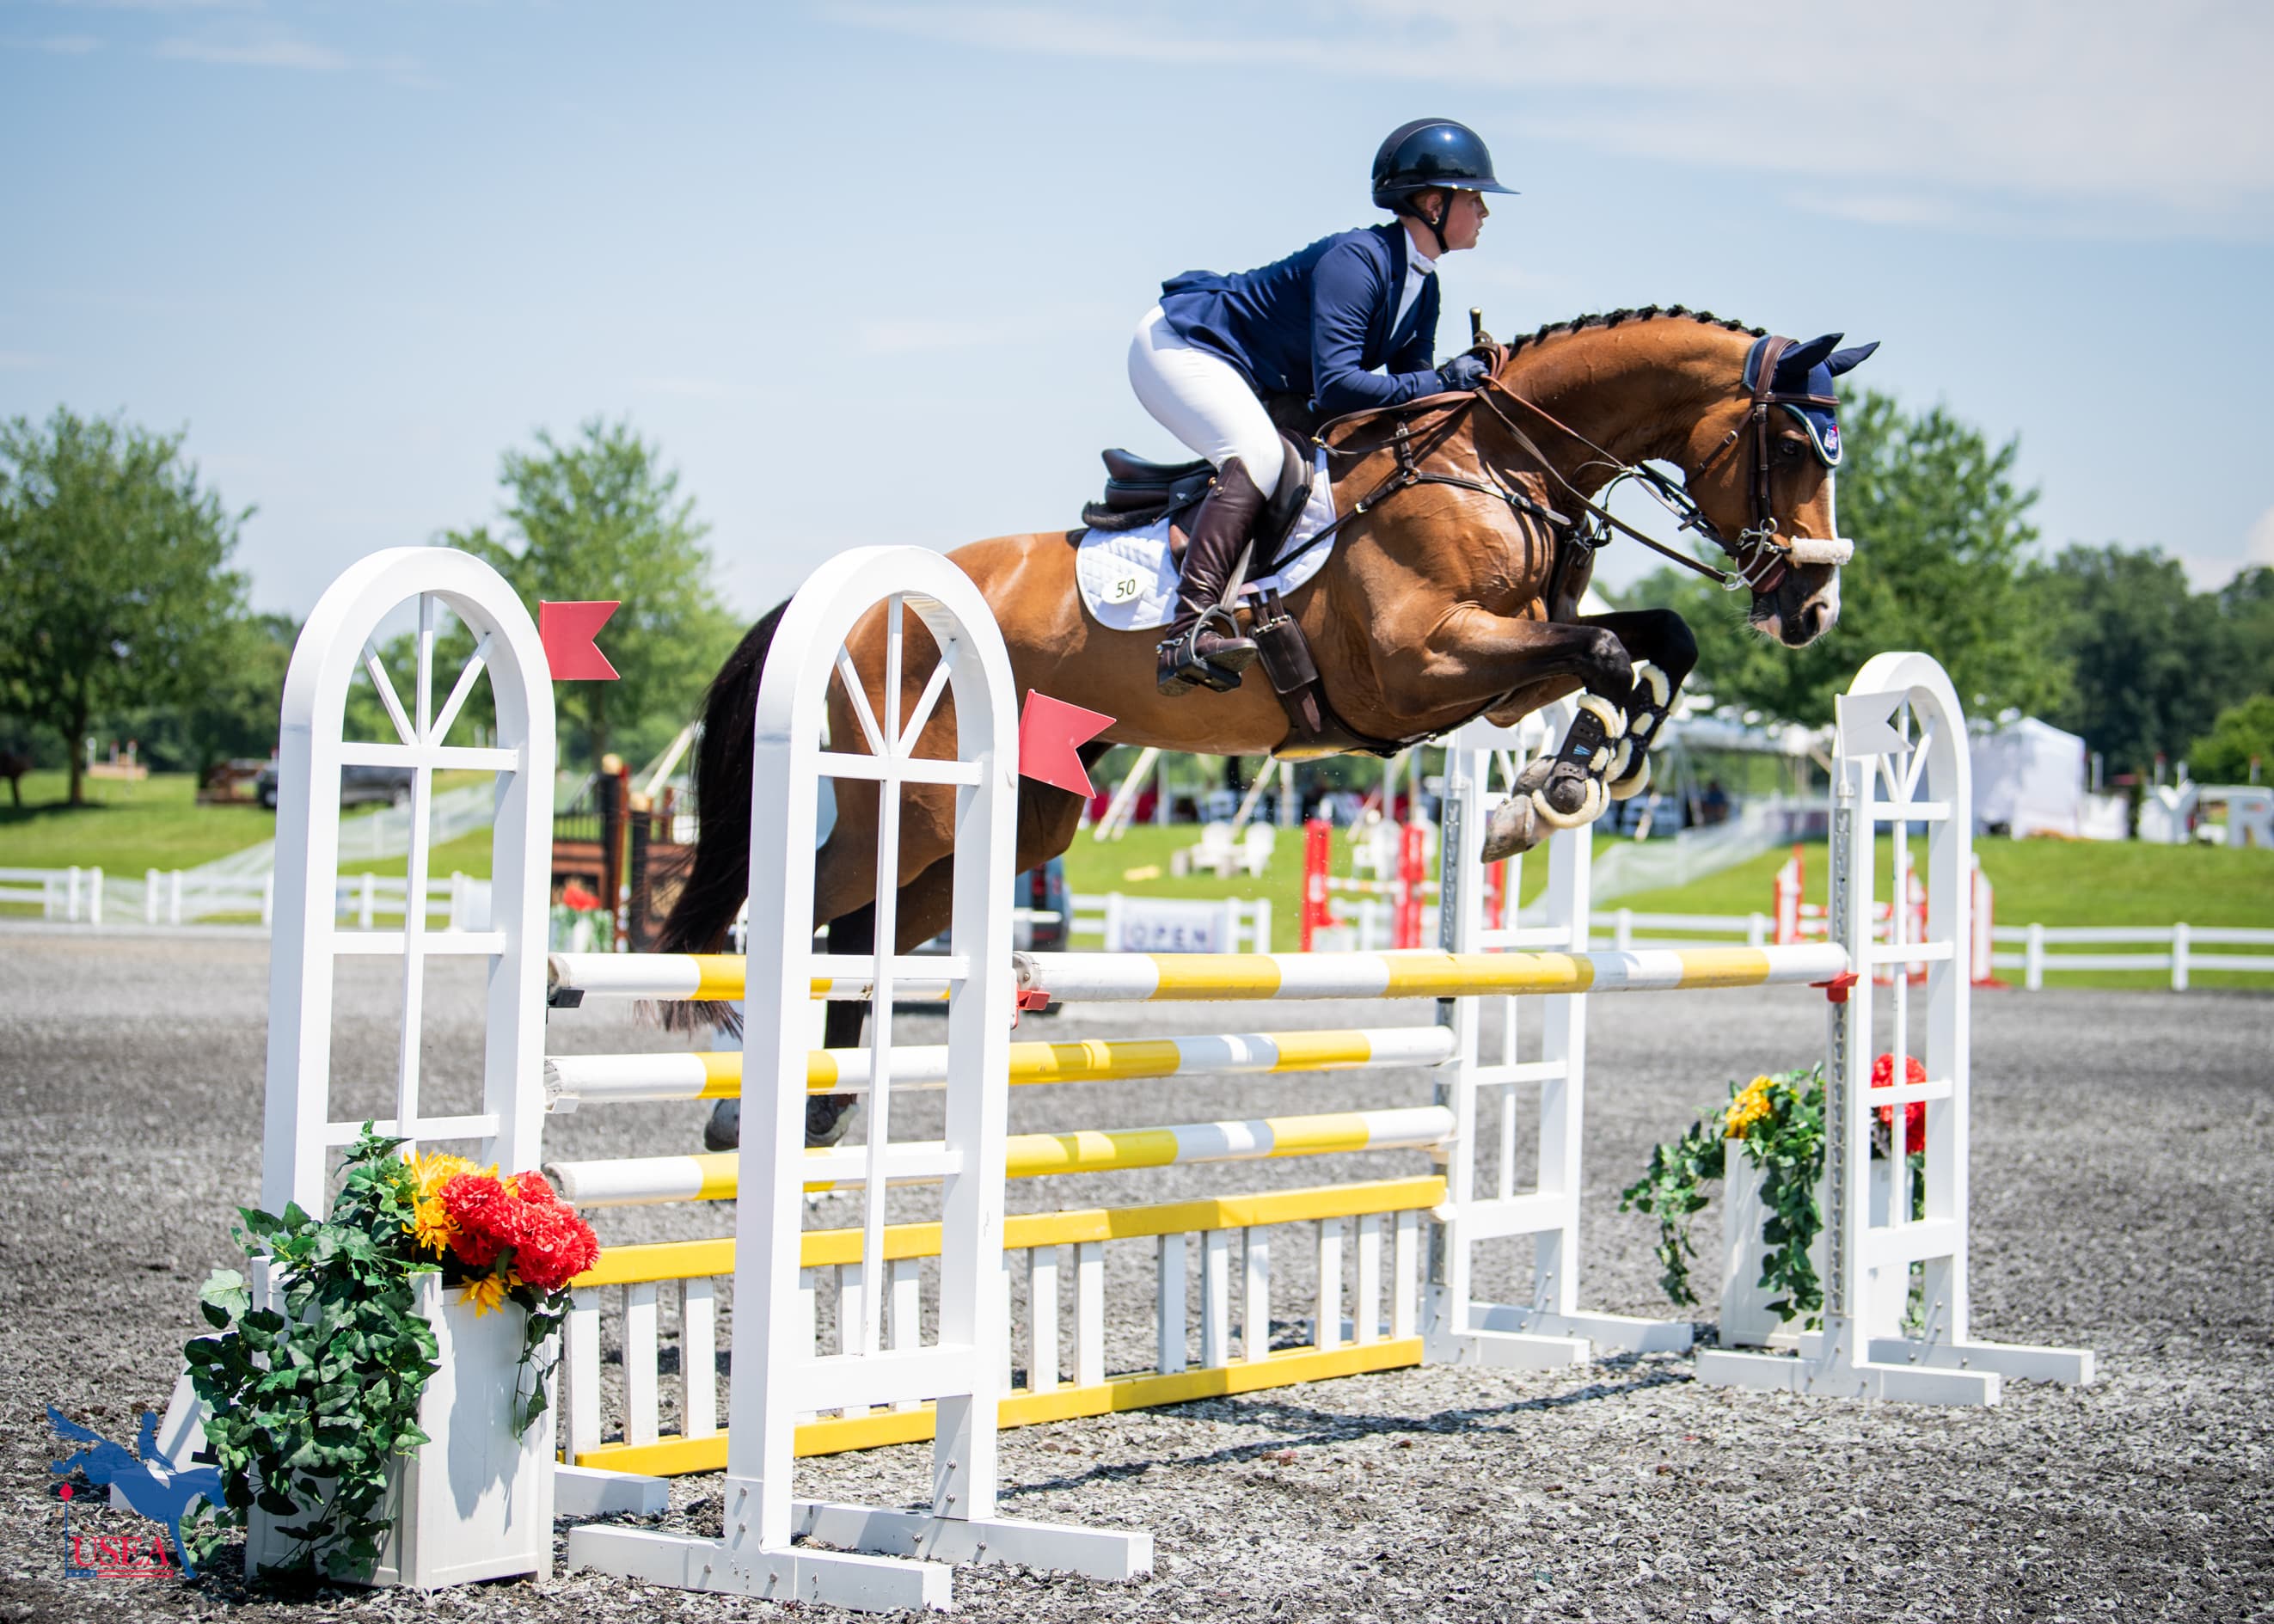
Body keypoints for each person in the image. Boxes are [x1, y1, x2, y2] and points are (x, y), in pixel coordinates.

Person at [1130, 117, 1515, 696]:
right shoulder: (1356, 260)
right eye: (1475, 199)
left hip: (1261, 374)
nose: (1485, 213)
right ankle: (1188, 629)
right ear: (1433, 203)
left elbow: (1410, 394)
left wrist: (1463, 390)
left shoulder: (1422, 287)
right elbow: (1339, 386)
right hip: (1182, 346)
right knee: (1257, 457)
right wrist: (1440, 378)